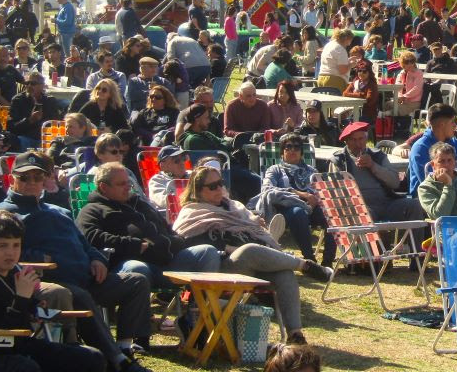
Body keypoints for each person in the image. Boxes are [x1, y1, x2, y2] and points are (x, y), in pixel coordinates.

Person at [0, 152, 153, 372]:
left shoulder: (58, 210)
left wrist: (97, 259)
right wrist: (40, 258)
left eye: (37, 177)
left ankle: (124, 346)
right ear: (12, 178)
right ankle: (116, 360)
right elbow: (0, 251)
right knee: (78, 295)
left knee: (136, 281)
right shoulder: (5, 214)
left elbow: (85, 242)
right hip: (49, 279)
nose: (32, 182)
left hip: (87, 276)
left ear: (44, 180)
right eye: (24, 177)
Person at [173, 163, 328, 347]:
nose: (219, 189)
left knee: (284, 274)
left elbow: (252, 228)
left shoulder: (234, 207)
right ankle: (304, 265)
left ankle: (295, 335)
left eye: (220, 183)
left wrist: (257, 225)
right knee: (248, 250)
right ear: (198, 191)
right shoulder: (192, 212)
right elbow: (188, 242)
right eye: (212, 186)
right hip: (220, 269)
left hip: (252, 265)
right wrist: (227, 247)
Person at [0, 209, 107, 372]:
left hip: (20, 347)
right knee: (27, 367)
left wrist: (35, 306)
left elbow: (22, 322)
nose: (10, 252)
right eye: (2, 246)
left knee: (91, 357)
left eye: (16, 245)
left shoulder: (13, 274)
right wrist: (21, 299)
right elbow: (3, 334)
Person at [76, 162, 221, 287]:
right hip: (129, 265)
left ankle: (199, 312)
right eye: (121, 184)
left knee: (207, 252)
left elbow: (167, 228)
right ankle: (140, 318)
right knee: (138, 268)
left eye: (129, 182)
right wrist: (133, 245)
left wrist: (177, 240)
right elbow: (89, 237)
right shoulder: (92, 210)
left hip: (169, 261)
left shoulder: (140, 204)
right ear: (103, 187)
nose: (128, 187)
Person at [257, 134, 333, 266]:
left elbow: (323, 192)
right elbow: (267, 190)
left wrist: (317, 198)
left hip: (311, 208)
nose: (292, 150)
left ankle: (328, 261)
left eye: (297, 147)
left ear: (302, 153)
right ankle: (310, 259)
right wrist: (302, 195)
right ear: (282, 152)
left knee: (331, 214)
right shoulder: (275, 170)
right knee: (298, 212)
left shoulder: (312, 171)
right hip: (284, 209)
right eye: (288, 147)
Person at [328, 121, 425, 223]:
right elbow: (335, 193)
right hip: (359, 206)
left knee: (414, 205)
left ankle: (415, 239)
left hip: (386, 202)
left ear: (366, 139)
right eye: (353, 140)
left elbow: (395, 183)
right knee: (364, 213)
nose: (358, 144)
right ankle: (373, 238)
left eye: (361, 139)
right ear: (346, 142)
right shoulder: (339, 160)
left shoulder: (377, 156)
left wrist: (373, 165)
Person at [178, 103, 263, 203]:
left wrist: (236, 140)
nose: (209, 121)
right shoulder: (192, 140)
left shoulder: (205, 134)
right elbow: (218, 150)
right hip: (220, 172)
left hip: (229, 167)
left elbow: (222, 141)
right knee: (259, 182)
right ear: (197, 119)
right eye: (206, 118)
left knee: (257, 178)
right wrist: (228, 145)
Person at [407, 103, 457, 196]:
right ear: (442, 125)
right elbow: (431, 184)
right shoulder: (420, 148)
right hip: (427, 200)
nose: (455, 126)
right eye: (452, 122)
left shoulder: (455, 142)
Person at [8, 71, 62, 150]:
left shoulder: (50, 101)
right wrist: (30, 120)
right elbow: (11, 128)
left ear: (42, 86)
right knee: (19, 140)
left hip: (44, 138)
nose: (29, 86)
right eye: (27, 83)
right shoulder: (18, 100)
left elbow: (56, 124)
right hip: (25, 137)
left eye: (33, 83)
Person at [342, 59, 379, 125]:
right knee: (340, 120)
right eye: (359, 71)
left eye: (364, 71)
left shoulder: (372, 84)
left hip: (367, 114)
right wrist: (361, 95)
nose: (361, 73)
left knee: (351, 122)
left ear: (369, 73)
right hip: (352, 112)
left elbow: (369, 99)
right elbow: (345, 94)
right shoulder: (355, 81)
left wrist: (353, 95)